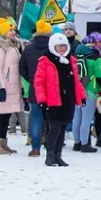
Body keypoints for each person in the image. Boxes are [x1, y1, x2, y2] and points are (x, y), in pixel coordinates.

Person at [34, 33, 86, 167]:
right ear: (53, 47)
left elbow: (76, 82)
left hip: (67, 100)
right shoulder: (45, 61)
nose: (62, 48)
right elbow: (39, 82)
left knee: (62, 129)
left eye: (64, 46)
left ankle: (58, 155)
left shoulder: (71, 60)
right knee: (55, 128)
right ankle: (50, 155)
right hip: (53, 101)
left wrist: (82, 96)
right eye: (59, 46)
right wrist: (42, 100)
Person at [19, 19, 53, 157]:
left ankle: (35, 148)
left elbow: (22, 68)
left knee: (36, 118)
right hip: (52, 89)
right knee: (52, 118)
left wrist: (32, 80)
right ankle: (52, 146)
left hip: (35, 89)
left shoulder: (28, 49)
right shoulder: (52, 48)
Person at [0, 18, 23, 155]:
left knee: (7, 114)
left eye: (13, 29)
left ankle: (3, 142)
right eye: (10, 30)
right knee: (0, 115)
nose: (13, 32)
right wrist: (1, 87)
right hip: (3, 86)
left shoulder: (14, 47)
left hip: (13, 86)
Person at [73, 33, 101, 153]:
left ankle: (77, 142)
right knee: (87, 119)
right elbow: (100, 76)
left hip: (77, 90)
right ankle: (85, 144)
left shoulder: (77, 56)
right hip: (89, 92)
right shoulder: (95, 58)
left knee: (77, 118)